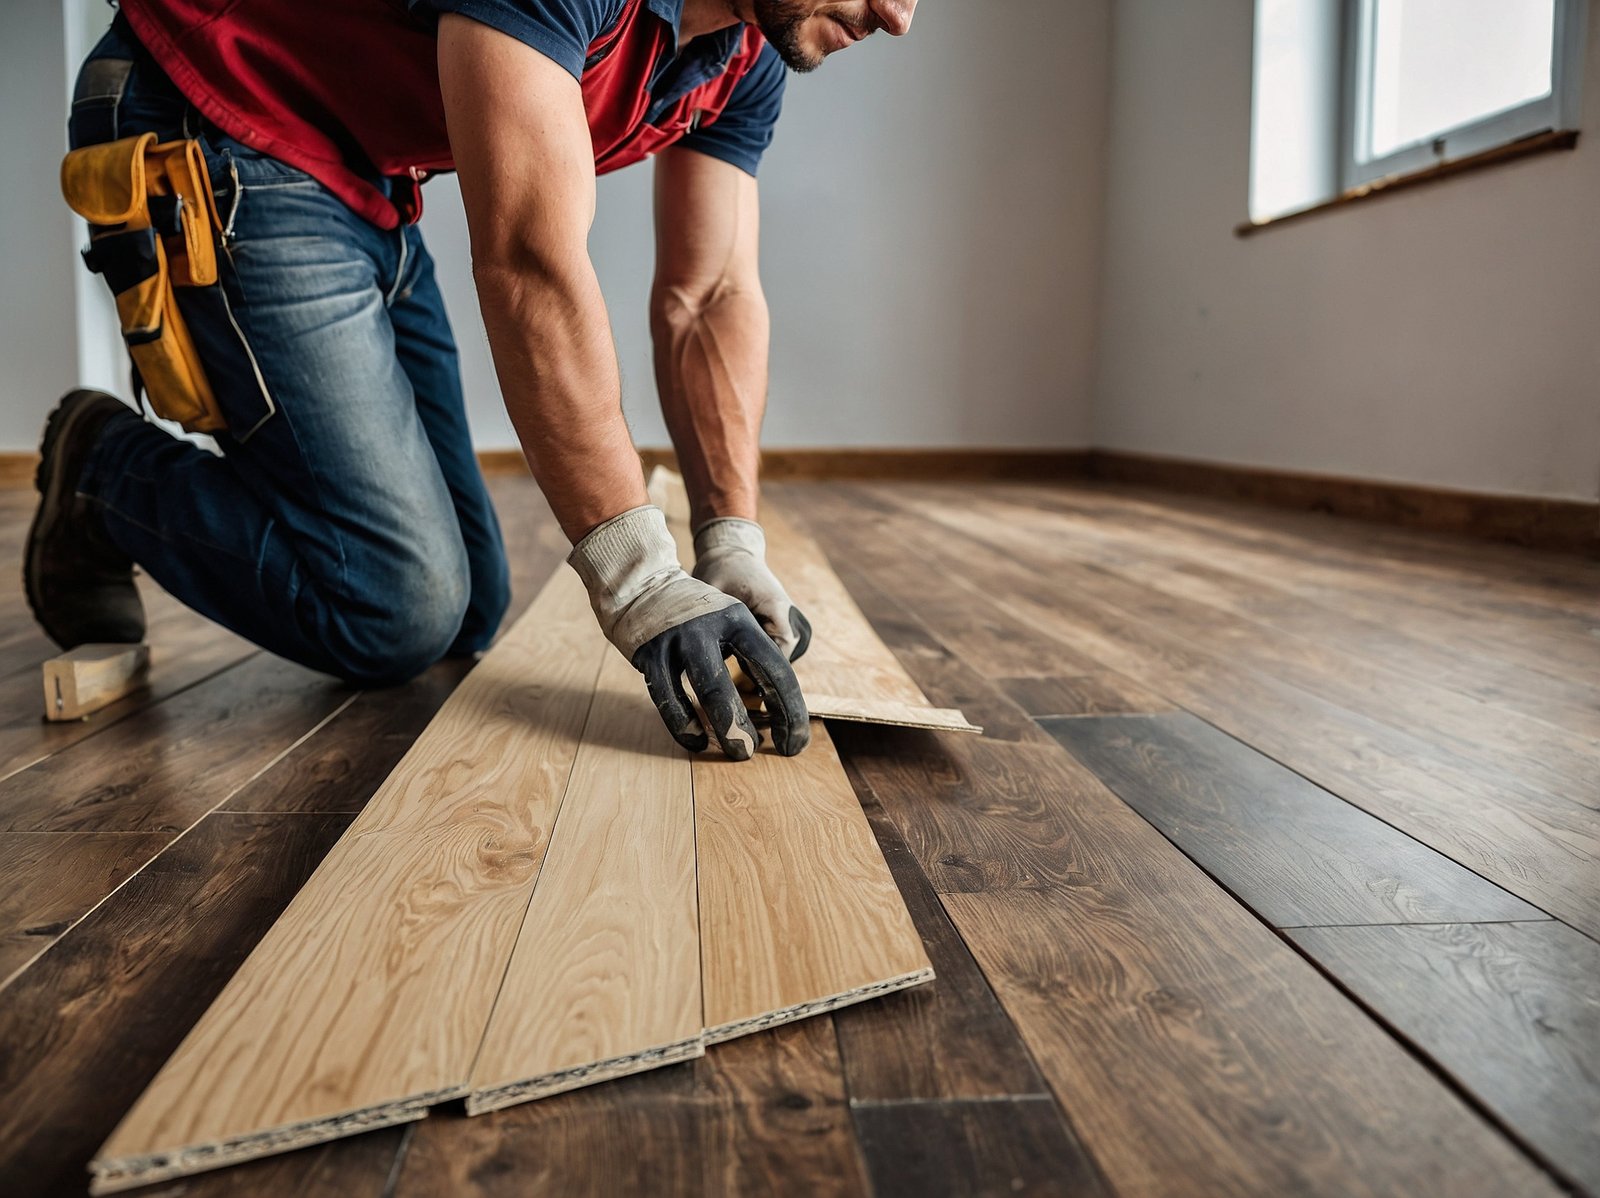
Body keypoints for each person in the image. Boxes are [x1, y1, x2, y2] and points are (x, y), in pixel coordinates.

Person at [25, 0, 917, 762]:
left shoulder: (741, 54)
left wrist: (731, 541)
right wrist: (643, 582)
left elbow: (709, 295)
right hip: (216, 110)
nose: (897, 15)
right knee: (391, 609)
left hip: (358, 168)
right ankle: (100, 470)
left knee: (466, 610)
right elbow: (529, 261)